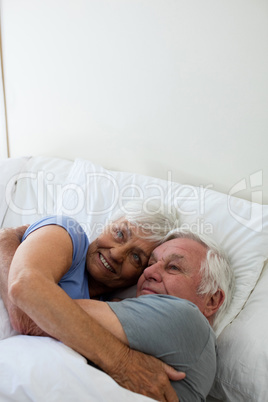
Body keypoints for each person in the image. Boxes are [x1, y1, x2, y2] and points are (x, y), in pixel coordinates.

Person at [0, 222, 235, 401]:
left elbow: (34, 309)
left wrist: (10, 239)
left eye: (173, 267)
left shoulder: (187, 320)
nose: (150, 272)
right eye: (150, 263)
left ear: (212, 300)